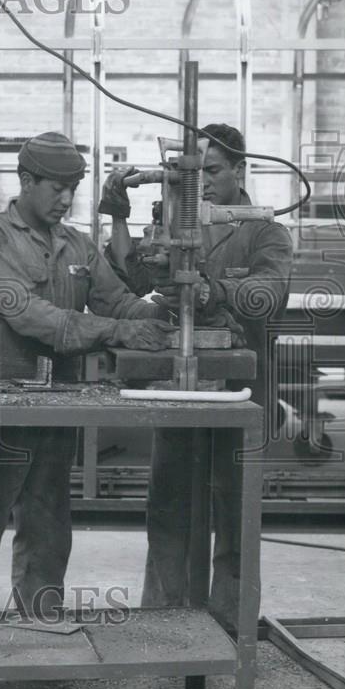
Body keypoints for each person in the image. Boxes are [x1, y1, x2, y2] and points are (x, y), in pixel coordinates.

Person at [0, 131, 176, 635]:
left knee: (48, 530)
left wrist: (171, 318)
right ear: (26, 181)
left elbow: (117, 301)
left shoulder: (78, 243)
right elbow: (28, 315)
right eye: (56, 187)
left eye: (73, 187)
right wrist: (116, 329)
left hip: (58, 402)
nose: (67, 199)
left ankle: (39, 636)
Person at [98, 123, 293, 632]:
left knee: (233, 512)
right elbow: (131, 277)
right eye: (191, 174)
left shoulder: (263, 229)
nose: (201, 183)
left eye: (212, 171)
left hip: (240, 391)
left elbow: (268, 295)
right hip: (182, 384)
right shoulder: (171, 216)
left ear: (238, 170)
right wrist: (118, 216)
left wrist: (212, 294)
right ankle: (166, 624)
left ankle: (228, 628)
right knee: (170, 504)